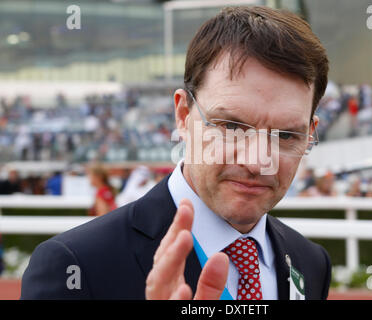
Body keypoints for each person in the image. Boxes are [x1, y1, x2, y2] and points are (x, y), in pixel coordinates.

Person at [21, 6, 331, 300]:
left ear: (310, 132)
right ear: (183, 115)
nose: (257, 162)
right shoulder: (75, 264)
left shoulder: (311, 263)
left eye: (287, 135)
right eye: (232, 127)